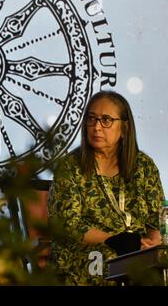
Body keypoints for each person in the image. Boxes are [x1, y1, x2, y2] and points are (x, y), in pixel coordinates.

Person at [48, 90, 164, 285]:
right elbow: (68, 225)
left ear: (124, 128)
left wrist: (153, 249)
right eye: (91, 119)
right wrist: (116, 240)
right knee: (110, 258)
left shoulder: (144, 166)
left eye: (106, 120)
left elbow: (156, 221)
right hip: (87, 252)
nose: (97, 127)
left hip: (135, 251)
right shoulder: (69, 167)